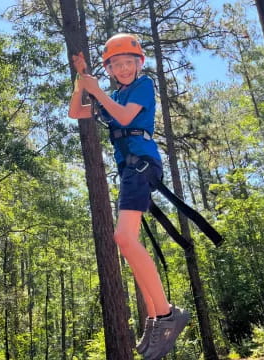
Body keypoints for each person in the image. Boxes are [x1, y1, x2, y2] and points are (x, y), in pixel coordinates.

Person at [68, 33, 190, 360]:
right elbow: (75, 112)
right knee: (128, 244)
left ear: (139, 64)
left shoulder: (142, 86)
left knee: (121, 236)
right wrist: (83, 83)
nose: (123, 68)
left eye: (128, 62)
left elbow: (124, 117)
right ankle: (154, 318)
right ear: (109, 69)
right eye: (116, 64)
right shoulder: (115, 95)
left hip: (142, 164)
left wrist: (97, 91)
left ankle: (166, 314)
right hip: (129, 171)